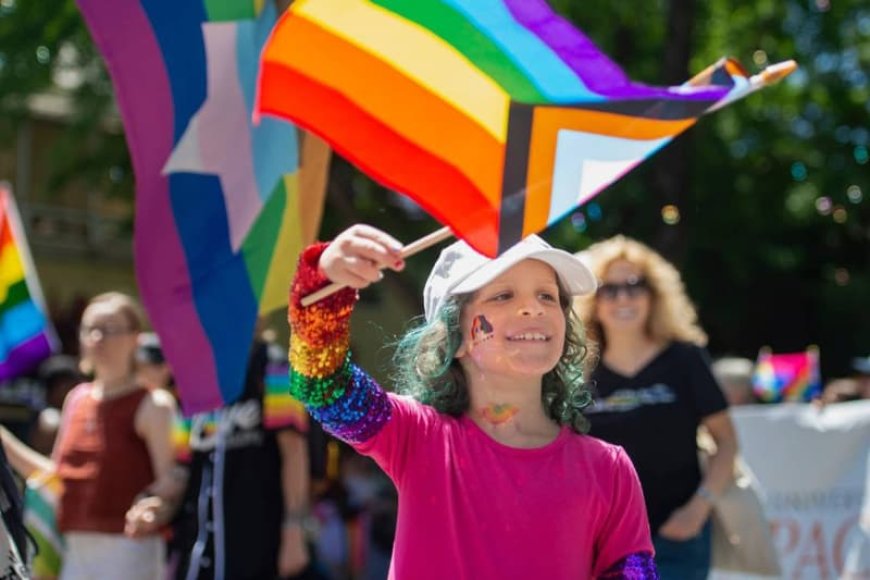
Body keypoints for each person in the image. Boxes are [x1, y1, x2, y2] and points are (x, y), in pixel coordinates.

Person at [287, 224, 658, 579]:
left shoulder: (610, 470)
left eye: (548, 295)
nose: (534, 308)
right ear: (455, 336)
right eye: (503, 295)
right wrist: (324, 281)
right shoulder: (417, 436)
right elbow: (323, 388)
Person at [574, 235, 738, 580]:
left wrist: (699, 508)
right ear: (593, 300)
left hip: (678, 535)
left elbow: (727, 442)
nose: (623, 298)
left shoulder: (684, 358)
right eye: (610, 289)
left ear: (654, 294)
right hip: (605, 541)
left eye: (635, 285)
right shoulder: (579, 370)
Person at [4, 292, 179, 580]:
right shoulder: (76, 399)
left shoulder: (154, 405)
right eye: (90, 329)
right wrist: (5, 444)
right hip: (73, 552)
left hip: (130, 552)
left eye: (109, 329)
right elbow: (57, 478)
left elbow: (171, 482)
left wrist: (156, 508)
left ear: (135, 337)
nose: (97, 338)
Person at [166, 336, 314, 580]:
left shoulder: (275, 365)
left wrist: (294, 531)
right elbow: (183, 461)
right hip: (196, 544)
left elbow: (294, 452)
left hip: (257, 539)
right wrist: (156, 501)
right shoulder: (193, 373)